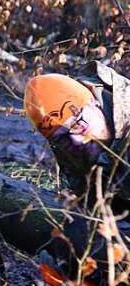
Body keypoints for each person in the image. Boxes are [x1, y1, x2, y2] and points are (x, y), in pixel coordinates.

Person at [24, 64, 130, 214]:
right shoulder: (67, 153)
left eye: (78, 123)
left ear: (94, 102)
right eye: (63, 139)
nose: (76, 141)